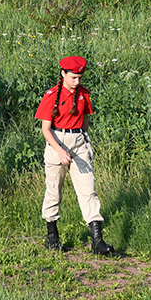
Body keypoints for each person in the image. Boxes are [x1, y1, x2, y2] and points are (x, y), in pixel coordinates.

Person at [36, 56, 115, 255]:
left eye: (79, 77)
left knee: (88, 190)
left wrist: (85, 143)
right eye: (73, 77)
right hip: (57, 141)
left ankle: (98, 241)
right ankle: (52, 237)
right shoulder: (51, 95)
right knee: (54, 189)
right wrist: (59, 150)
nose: (77, 81)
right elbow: (45, 129)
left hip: (78, 141)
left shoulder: (83, 94)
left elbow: (85, 121)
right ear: (63, 74)